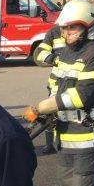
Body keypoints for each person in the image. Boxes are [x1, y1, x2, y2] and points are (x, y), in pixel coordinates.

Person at [31, 0, 94, 186]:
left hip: (87, 134)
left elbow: (84, 94)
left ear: (89, 27)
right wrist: (48, 109)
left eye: (72, 28)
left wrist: (44, 106)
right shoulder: (66, 53)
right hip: (65, 131)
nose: (66, 33)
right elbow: (56, 85)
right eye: (64, 28)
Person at [33, 25, 66, 154]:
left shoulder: (92, 31)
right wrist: (54, 58)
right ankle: (49, 144)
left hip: (78, 85)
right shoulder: (54, 31)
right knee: (49, 116)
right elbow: (39, 53)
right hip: (56, 85)